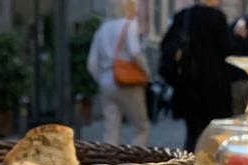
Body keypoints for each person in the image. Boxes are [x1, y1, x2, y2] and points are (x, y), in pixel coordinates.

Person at [161, 0, 233, 151]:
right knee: (211, 134)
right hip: (212, 86)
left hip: (187, 85)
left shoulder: (183, 16)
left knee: (192, 132)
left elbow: (166, 44)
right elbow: (228, 50)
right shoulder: (217, 17)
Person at [86, 0, 150, 146]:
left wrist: (102, 78)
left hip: (106, 83)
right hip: (128, 83)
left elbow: (92, 64)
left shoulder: (101, 29)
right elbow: (135, 52)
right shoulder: (129, 25)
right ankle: (136, 163)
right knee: (141, 127)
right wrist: (146, 72)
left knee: (110, 130)